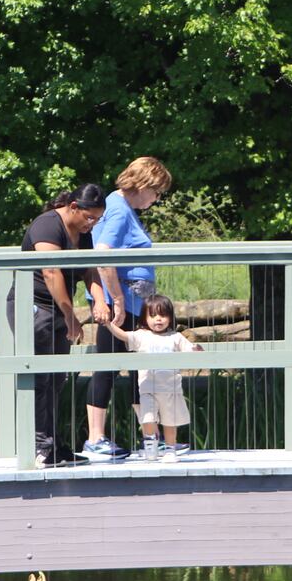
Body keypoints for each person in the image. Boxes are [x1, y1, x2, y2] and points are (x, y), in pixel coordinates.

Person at [7, 184, 113, 468]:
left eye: (97, 220)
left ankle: (52, 443)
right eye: (89, 218)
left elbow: (90, 269)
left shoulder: (84, 234)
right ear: (74, 208)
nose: (92, 224)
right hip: (33, 307)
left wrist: (100, 300)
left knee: (57, 379)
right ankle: (38, 448)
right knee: (39, 378)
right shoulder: (47, 225)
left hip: (57, 310)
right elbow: (51, 272)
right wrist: (70, 316)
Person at [81, 156, 174, 461]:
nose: (157, 199)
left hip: (132, 303)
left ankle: (151, 439)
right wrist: (115, 300)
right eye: (157, 192)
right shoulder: (119, 210)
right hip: (121, 307)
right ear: (144, 184)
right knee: (108, 368)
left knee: (139, 371)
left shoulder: (120, 207)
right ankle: (95, 439)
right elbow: (103, 254)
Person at [103, 293, 201, 461]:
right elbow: (125, 336)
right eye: (153, 315)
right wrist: (108, 325)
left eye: (163, 315)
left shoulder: (175, 337)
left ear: (170, 318)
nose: (158, 319)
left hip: (171, 389)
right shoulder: (141, 335)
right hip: (147, 387)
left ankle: (170, 449)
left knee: (170, 422)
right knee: (147, 418)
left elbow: (190, 351)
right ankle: (151, 446)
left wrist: (197, 350)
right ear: (145, 318)